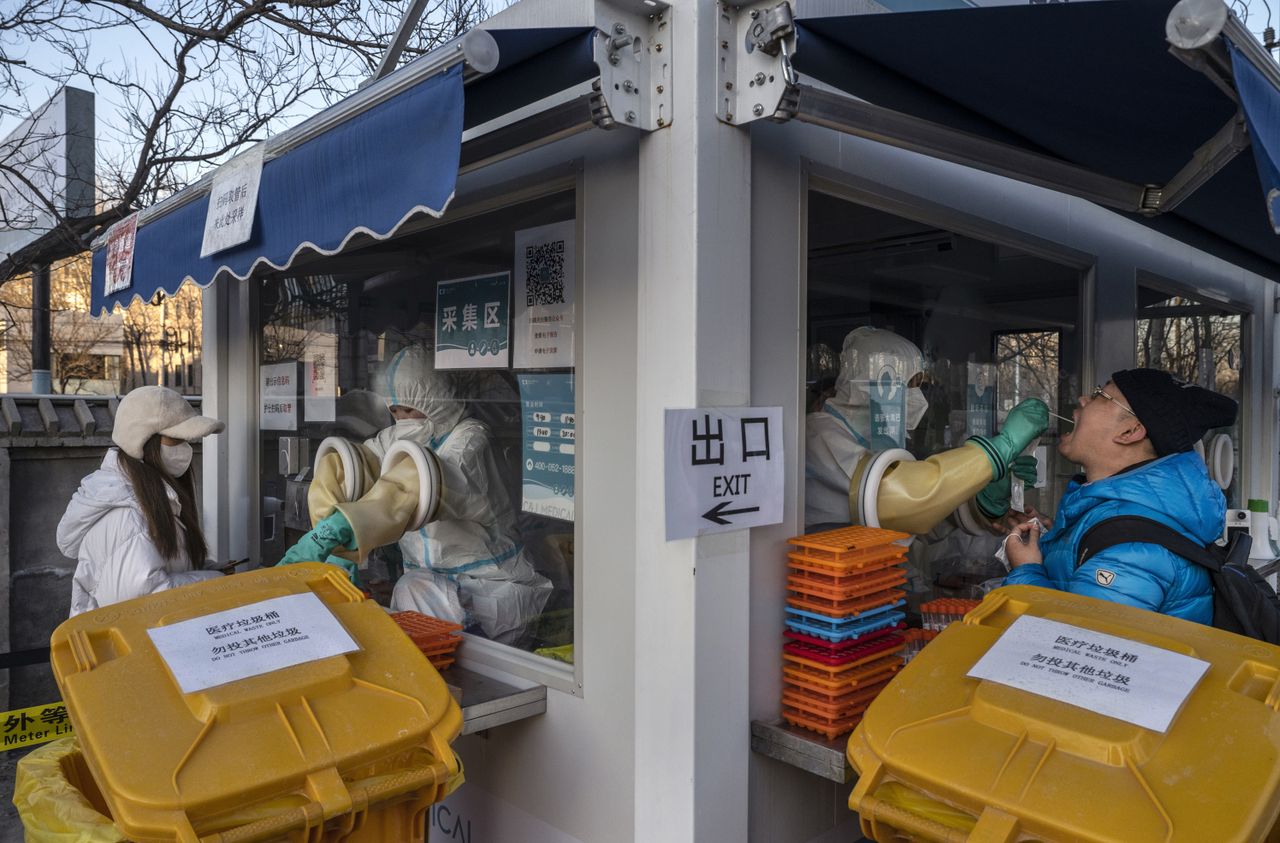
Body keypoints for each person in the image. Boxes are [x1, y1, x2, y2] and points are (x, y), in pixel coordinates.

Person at [282, 345, 551, 644]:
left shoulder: (470, 438)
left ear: (436, 399)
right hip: (435, 592)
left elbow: (424, 482)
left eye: (411, 409)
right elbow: (358, 466)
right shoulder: (400, 435)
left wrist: (347, 526)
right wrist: (329, 526)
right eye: (395, 411)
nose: (403, 419)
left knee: (417, 602)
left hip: (492, 592)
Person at [1005, 369, 1238, 623]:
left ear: (1130, 431)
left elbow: (1082, 646)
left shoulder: (1131, 550)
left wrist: (1026, 570)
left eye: (1099, 395)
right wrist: (1059, 541)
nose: (1083, 400)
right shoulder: (1122, 522)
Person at [805, 326, 1047, 538]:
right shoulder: (820, 435)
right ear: (873, 383)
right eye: (909, 385)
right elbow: (900, 504)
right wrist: (998, 451)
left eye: (921, 386)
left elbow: (924, 520)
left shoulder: (883, 442)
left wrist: (983, 497)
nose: (918, 397)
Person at [57, 386, 226, 616]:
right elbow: (141, 601)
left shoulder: (151, 498)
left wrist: (206, 569)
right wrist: (217, 581)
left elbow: (158, 568)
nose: (185, 448)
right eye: (176, 439)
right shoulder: (127, 514)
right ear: (145, 442)